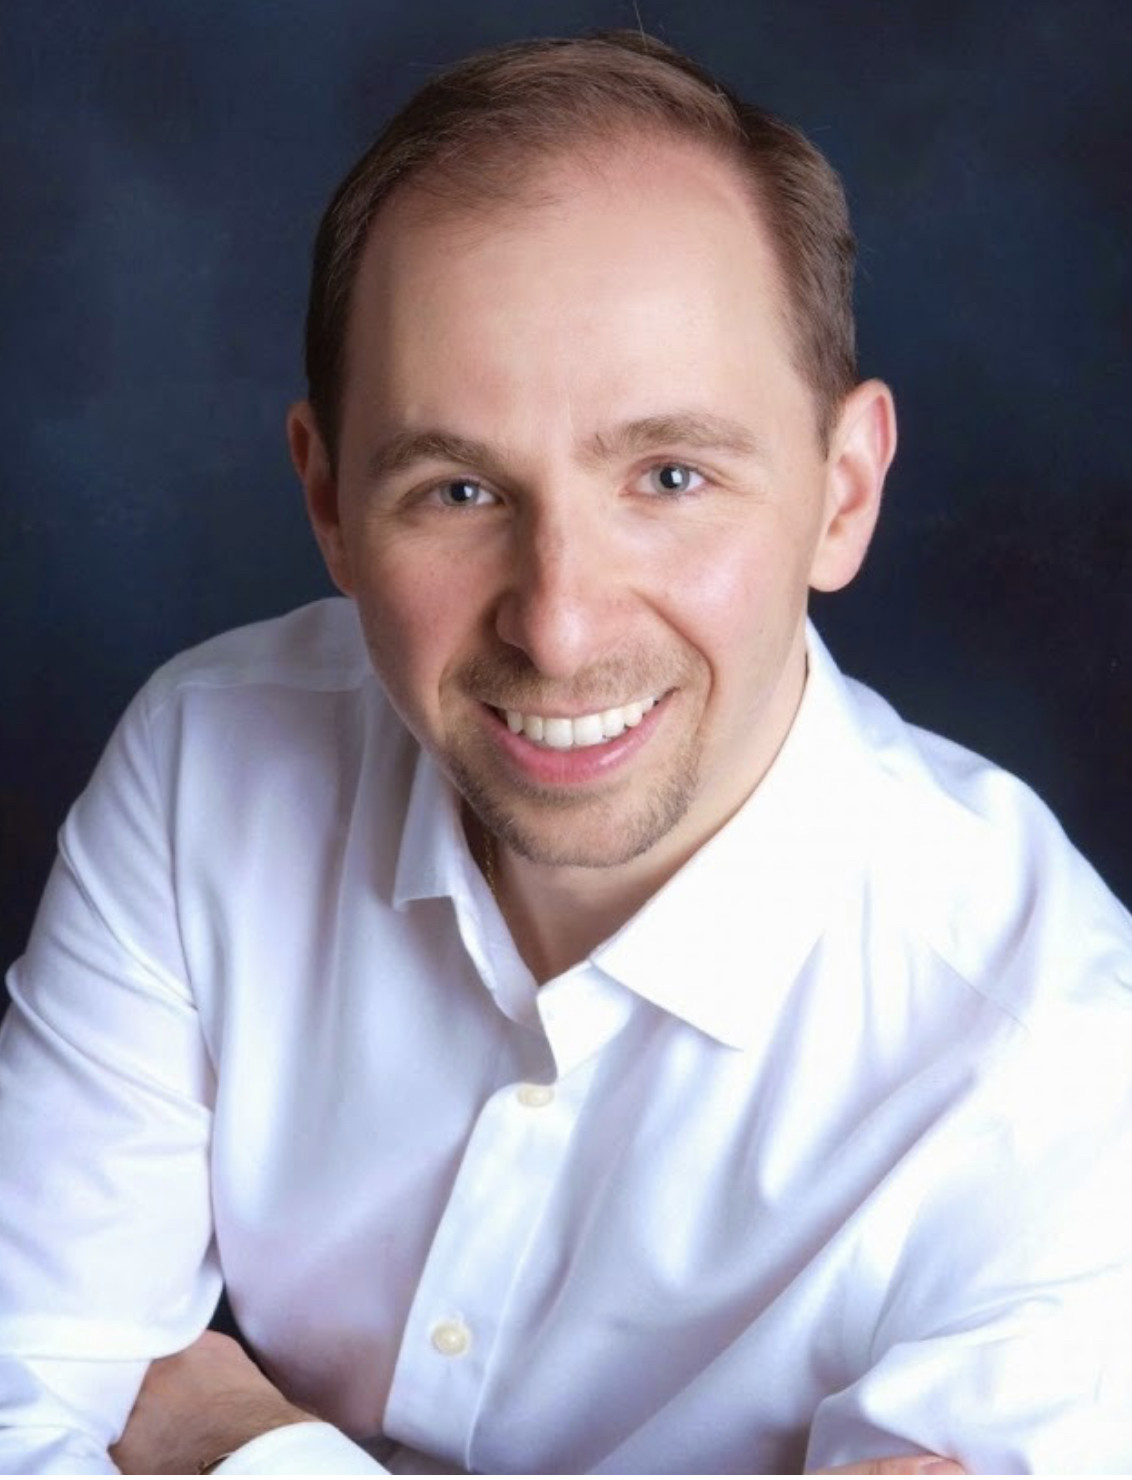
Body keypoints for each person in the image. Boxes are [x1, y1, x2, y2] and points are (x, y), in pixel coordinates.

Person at [2, 29, 1130, 1476]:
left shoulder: (1058, 1078)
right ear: (329, 502)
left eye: (671, 476)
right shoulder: (204, 768)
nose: (558, 622)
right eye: (459, 490)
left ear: (842, 494)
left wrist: (247, 1443)